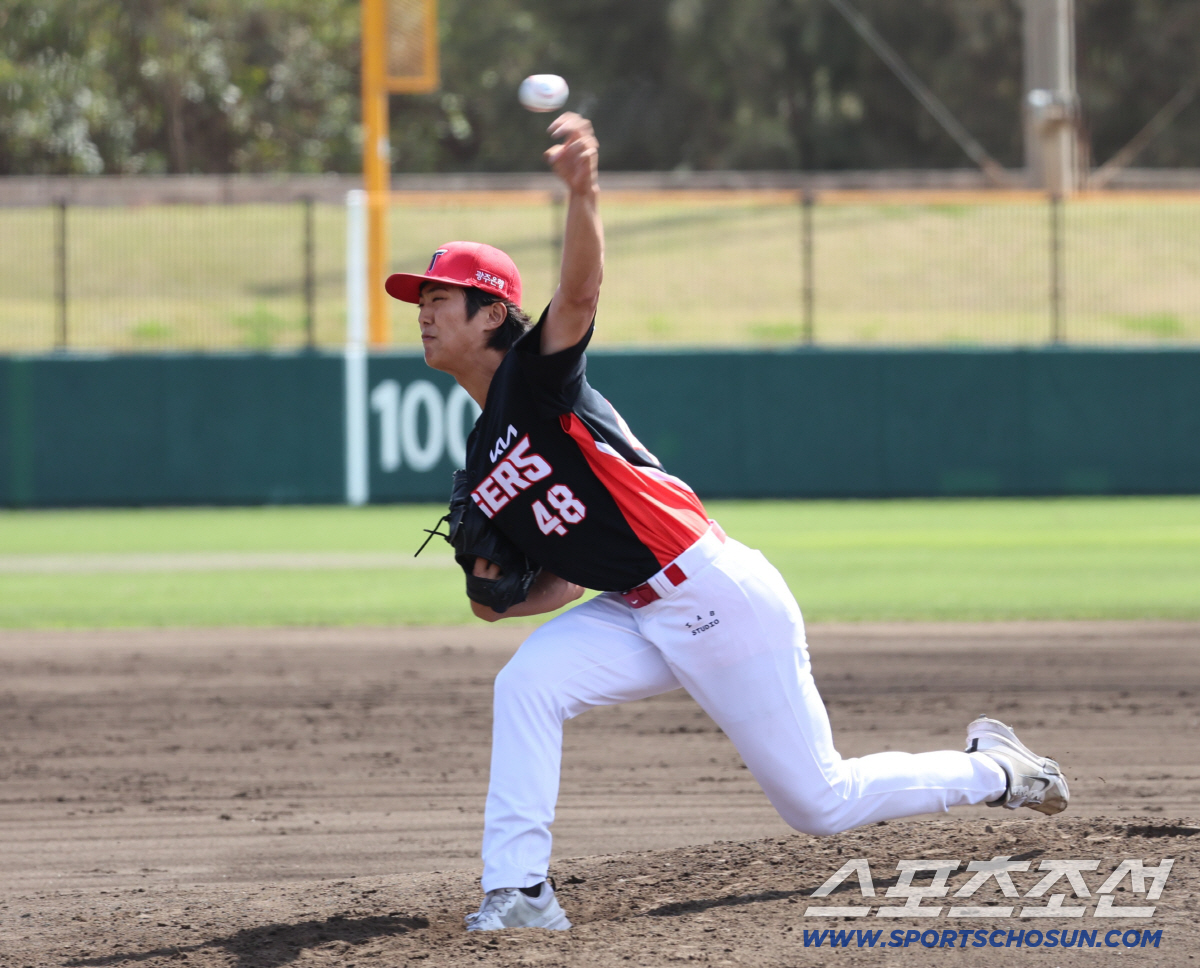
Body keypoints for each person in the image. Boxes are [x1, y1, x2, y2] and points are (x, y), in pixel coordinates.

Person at [383, 114, 1069, 933]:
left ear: (492, 313)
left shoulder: (536, 383)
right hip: (638, 607)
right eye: (418, 301)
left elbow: (581, 293)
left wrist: (584, 193)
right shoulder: (482, 460)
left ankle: (995, 770)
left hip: (717, 596)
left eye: (439, 299)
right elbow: (535, 587)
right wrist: (500, 595)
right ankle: (520, 893)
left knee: (820, 803)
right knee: (528, 683)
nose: (422, 312)